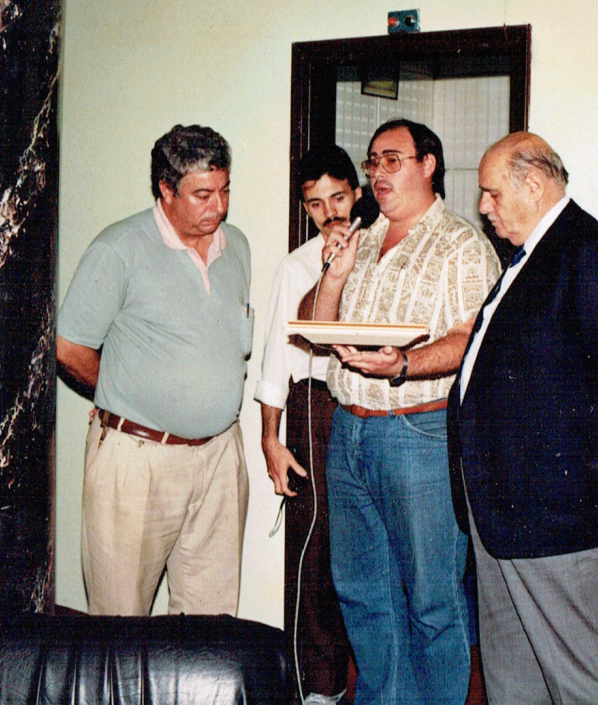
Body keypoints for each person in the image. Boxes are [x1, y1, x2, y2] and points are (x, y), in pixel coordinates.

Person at [448, 132, 598, 703]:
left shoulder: (586, 252)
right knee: (514, 682)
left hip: (554, 519)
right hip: (503, 515)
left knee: (585, 682)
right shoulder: (530, 257)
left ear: (533, 184)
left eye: (493, 193)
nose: (483, 206)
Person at [301, 119, 501, 704]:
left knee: (433, 600)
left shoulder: (461, 244)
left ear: (428, 164)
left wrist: (405, 365)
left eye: (393, 160)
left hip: (419, 432)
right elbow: (314, 327)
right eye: (372, 163)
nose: (378, 174)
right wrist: (335, 272)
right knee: (364, 595)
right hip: (350, 430)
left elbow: (470, 339)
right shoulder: (361, 238)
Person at [56, 124, 253, 617]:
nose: (219, 207)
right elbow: (69, 348)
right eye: (203, 195)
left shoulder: (237, 247)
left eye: (225, 190)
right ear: (166, 190)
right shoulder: (118, 248)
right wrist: (122, 393)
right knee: (121, 621)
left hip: (220, 458)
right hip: (137, 460)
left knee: (210, 626)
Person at [255, 145, 360, 704]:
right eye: (315, 204)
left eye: (338, 198)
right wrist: (270, 439)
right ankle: (317, 688)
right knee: (315, 549)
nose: (329, 213)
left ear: (357, 195)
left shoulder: (384, 253)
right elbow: (276, 358)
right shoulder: (295, 265)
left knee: (366, 549)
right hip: (315, 407)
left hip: (372, 404)